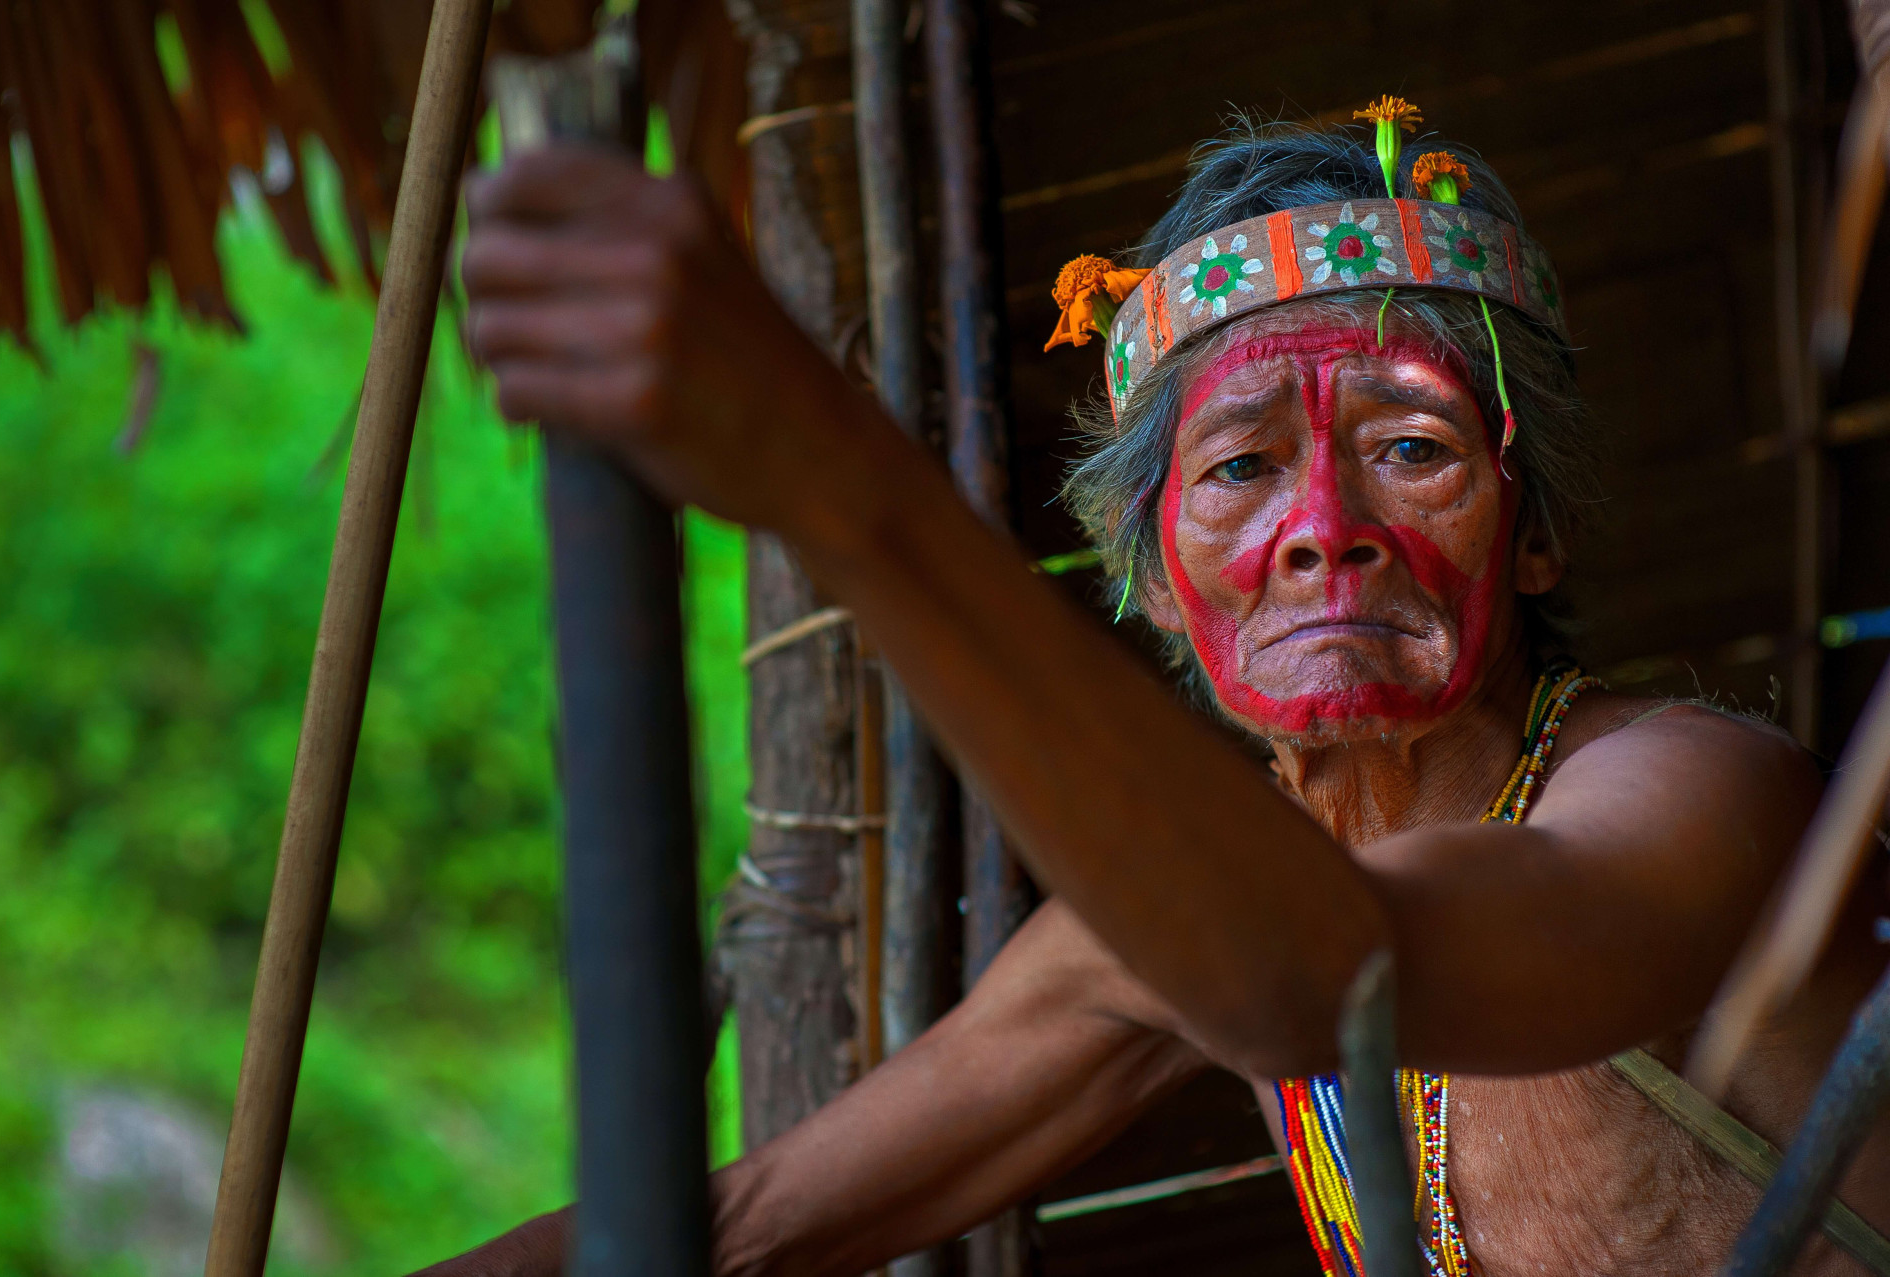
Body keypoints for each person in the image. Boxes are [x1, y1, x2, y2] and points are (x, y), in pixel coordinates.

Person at [418, 105, 1890, 1276]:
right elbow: (740, 1233)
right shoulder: (1174, 927)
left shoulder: (1701, 795)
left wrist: (837, 481)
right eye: (1243, 467)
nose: (1323, 524)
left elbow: (1328, 978)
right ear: (1152, 575)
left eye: (1414, 451)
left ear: (1539, 528)